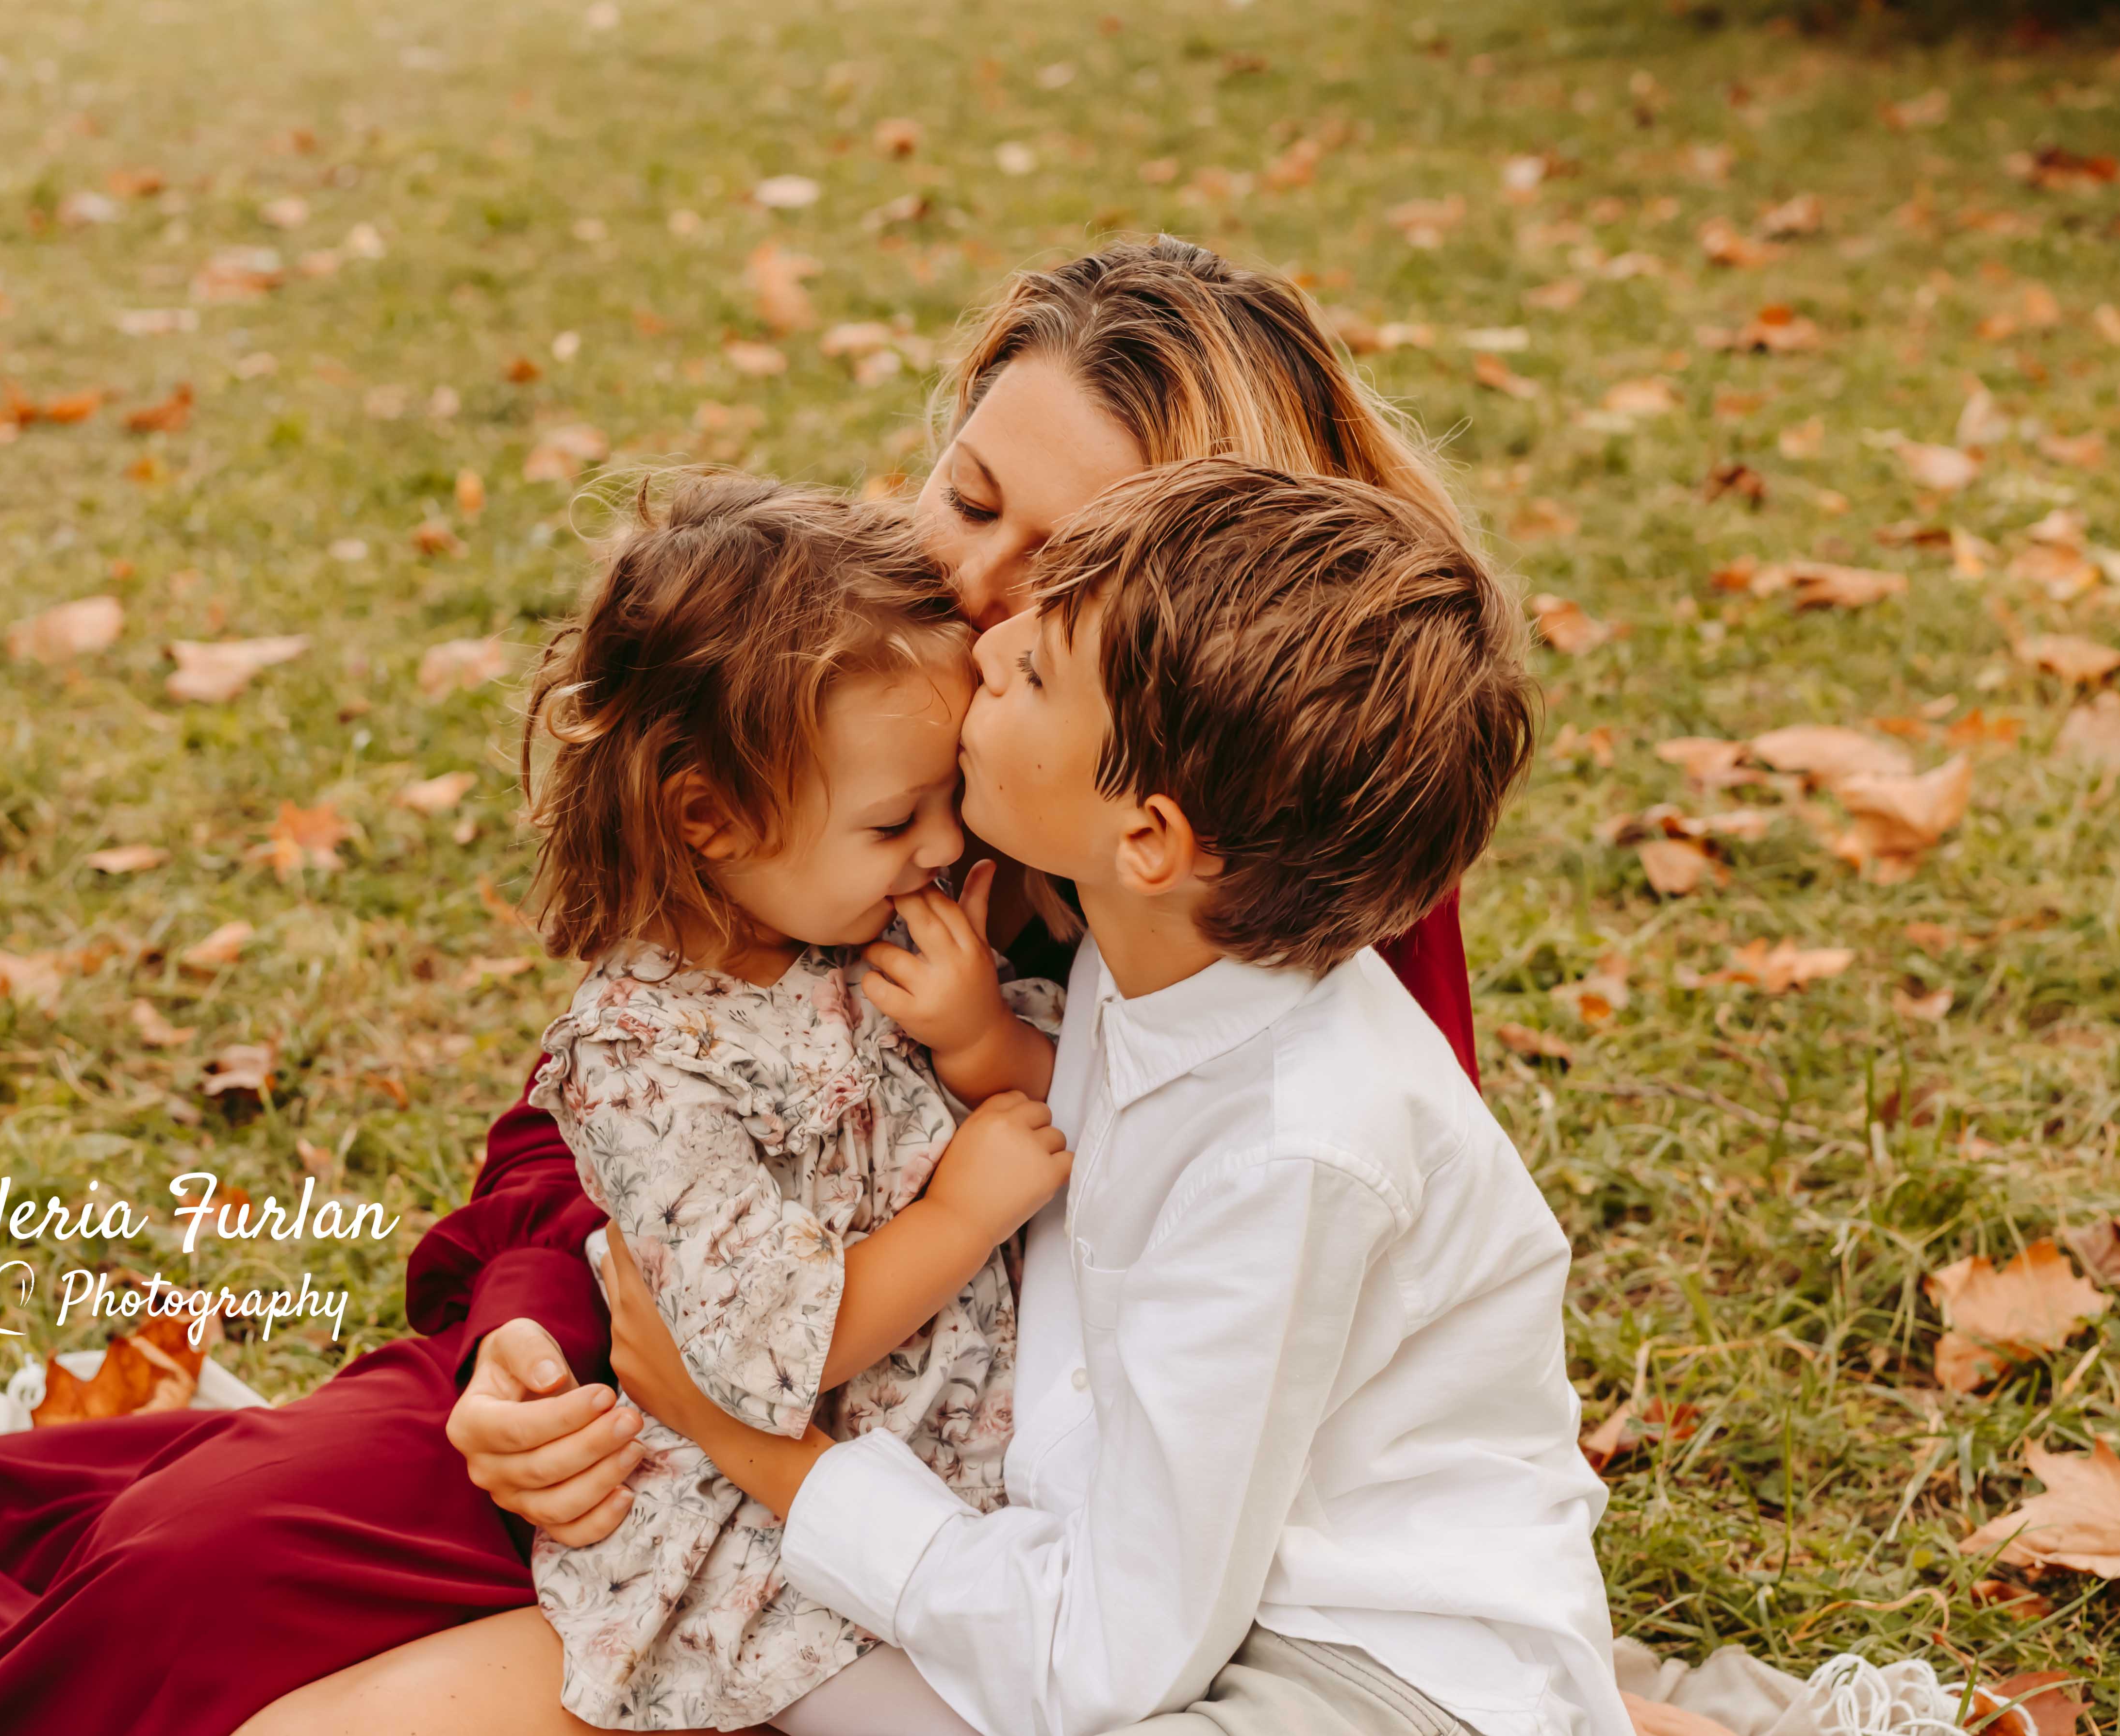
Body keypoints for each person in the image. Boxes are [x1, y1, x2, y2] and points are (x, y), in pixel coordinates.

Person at [298, 463, 1616, 1736]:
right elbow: (1107, 1147)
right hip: (1132, 1580)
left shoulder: (1301, 1149)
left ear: (1147, 834)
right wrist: (989, 1047)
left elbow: (1101, 1666)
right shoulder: (1158, 956)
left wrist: (760, 1451)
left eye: (1040, 668)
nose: (990, 646)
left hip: (1357, 1672)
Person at [512, 471, 1067, 1733]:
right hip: (772, 1579)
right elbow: (777, 1349)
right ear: (712, 814)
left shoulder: (861, 937)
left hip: (941, 1515)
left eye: (945, 801)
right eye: (892, 819)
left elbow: (1064, 1107)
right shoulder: (648, 1059)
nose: (942, 845)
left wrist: (980, 1035)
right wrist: (962, 1215)